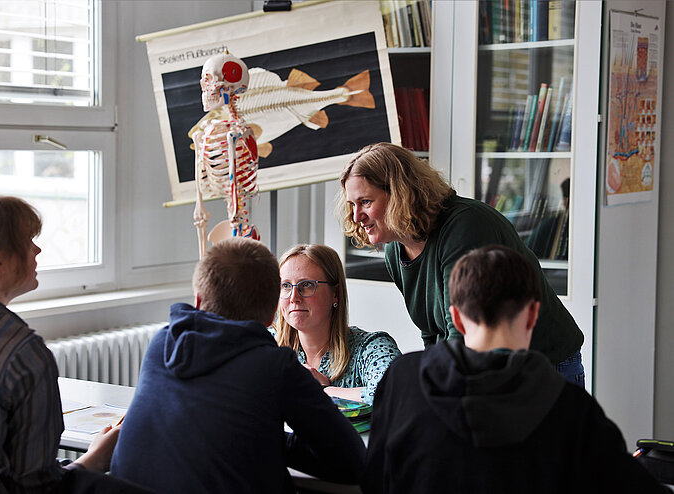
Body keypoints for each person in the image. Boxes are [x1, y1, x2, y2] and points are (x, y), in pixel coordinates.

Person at [363, 245, 668, 493]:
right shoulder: (570, 409)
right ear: (533, 314)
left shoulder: (402, 379)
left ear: (455, 318)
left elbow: (375, 480)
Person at [110, 237, 365, 494]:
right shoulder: (275, 366)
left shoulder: (162, 343)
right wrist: (275, 443)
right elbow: (353, 461)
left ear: (198, 300)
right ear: (270, 316)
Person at [0, 195, 149, 493]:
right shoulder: (21, 352)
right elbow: (39, 488)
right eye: (28, 240)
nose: (38, 249)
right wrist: (96, 458)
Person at [339, 142, 585, 385]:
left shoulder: (464, 227)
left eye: (366, 202)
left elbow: (464, 331)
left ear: (399, 194)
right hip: (486, 366)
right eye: (352, 205)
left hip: (541, 364)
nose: (356, 216)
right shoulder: (396, 249)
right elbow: (433, 332)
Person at [274, 243, 401, 404]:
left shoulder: (371, 347)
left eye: (306, 285)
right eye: (285, 286)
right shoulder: (267, 344)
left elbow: (397, 392)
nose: (293, 298)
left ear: (335, 294)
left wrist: (323, 390)